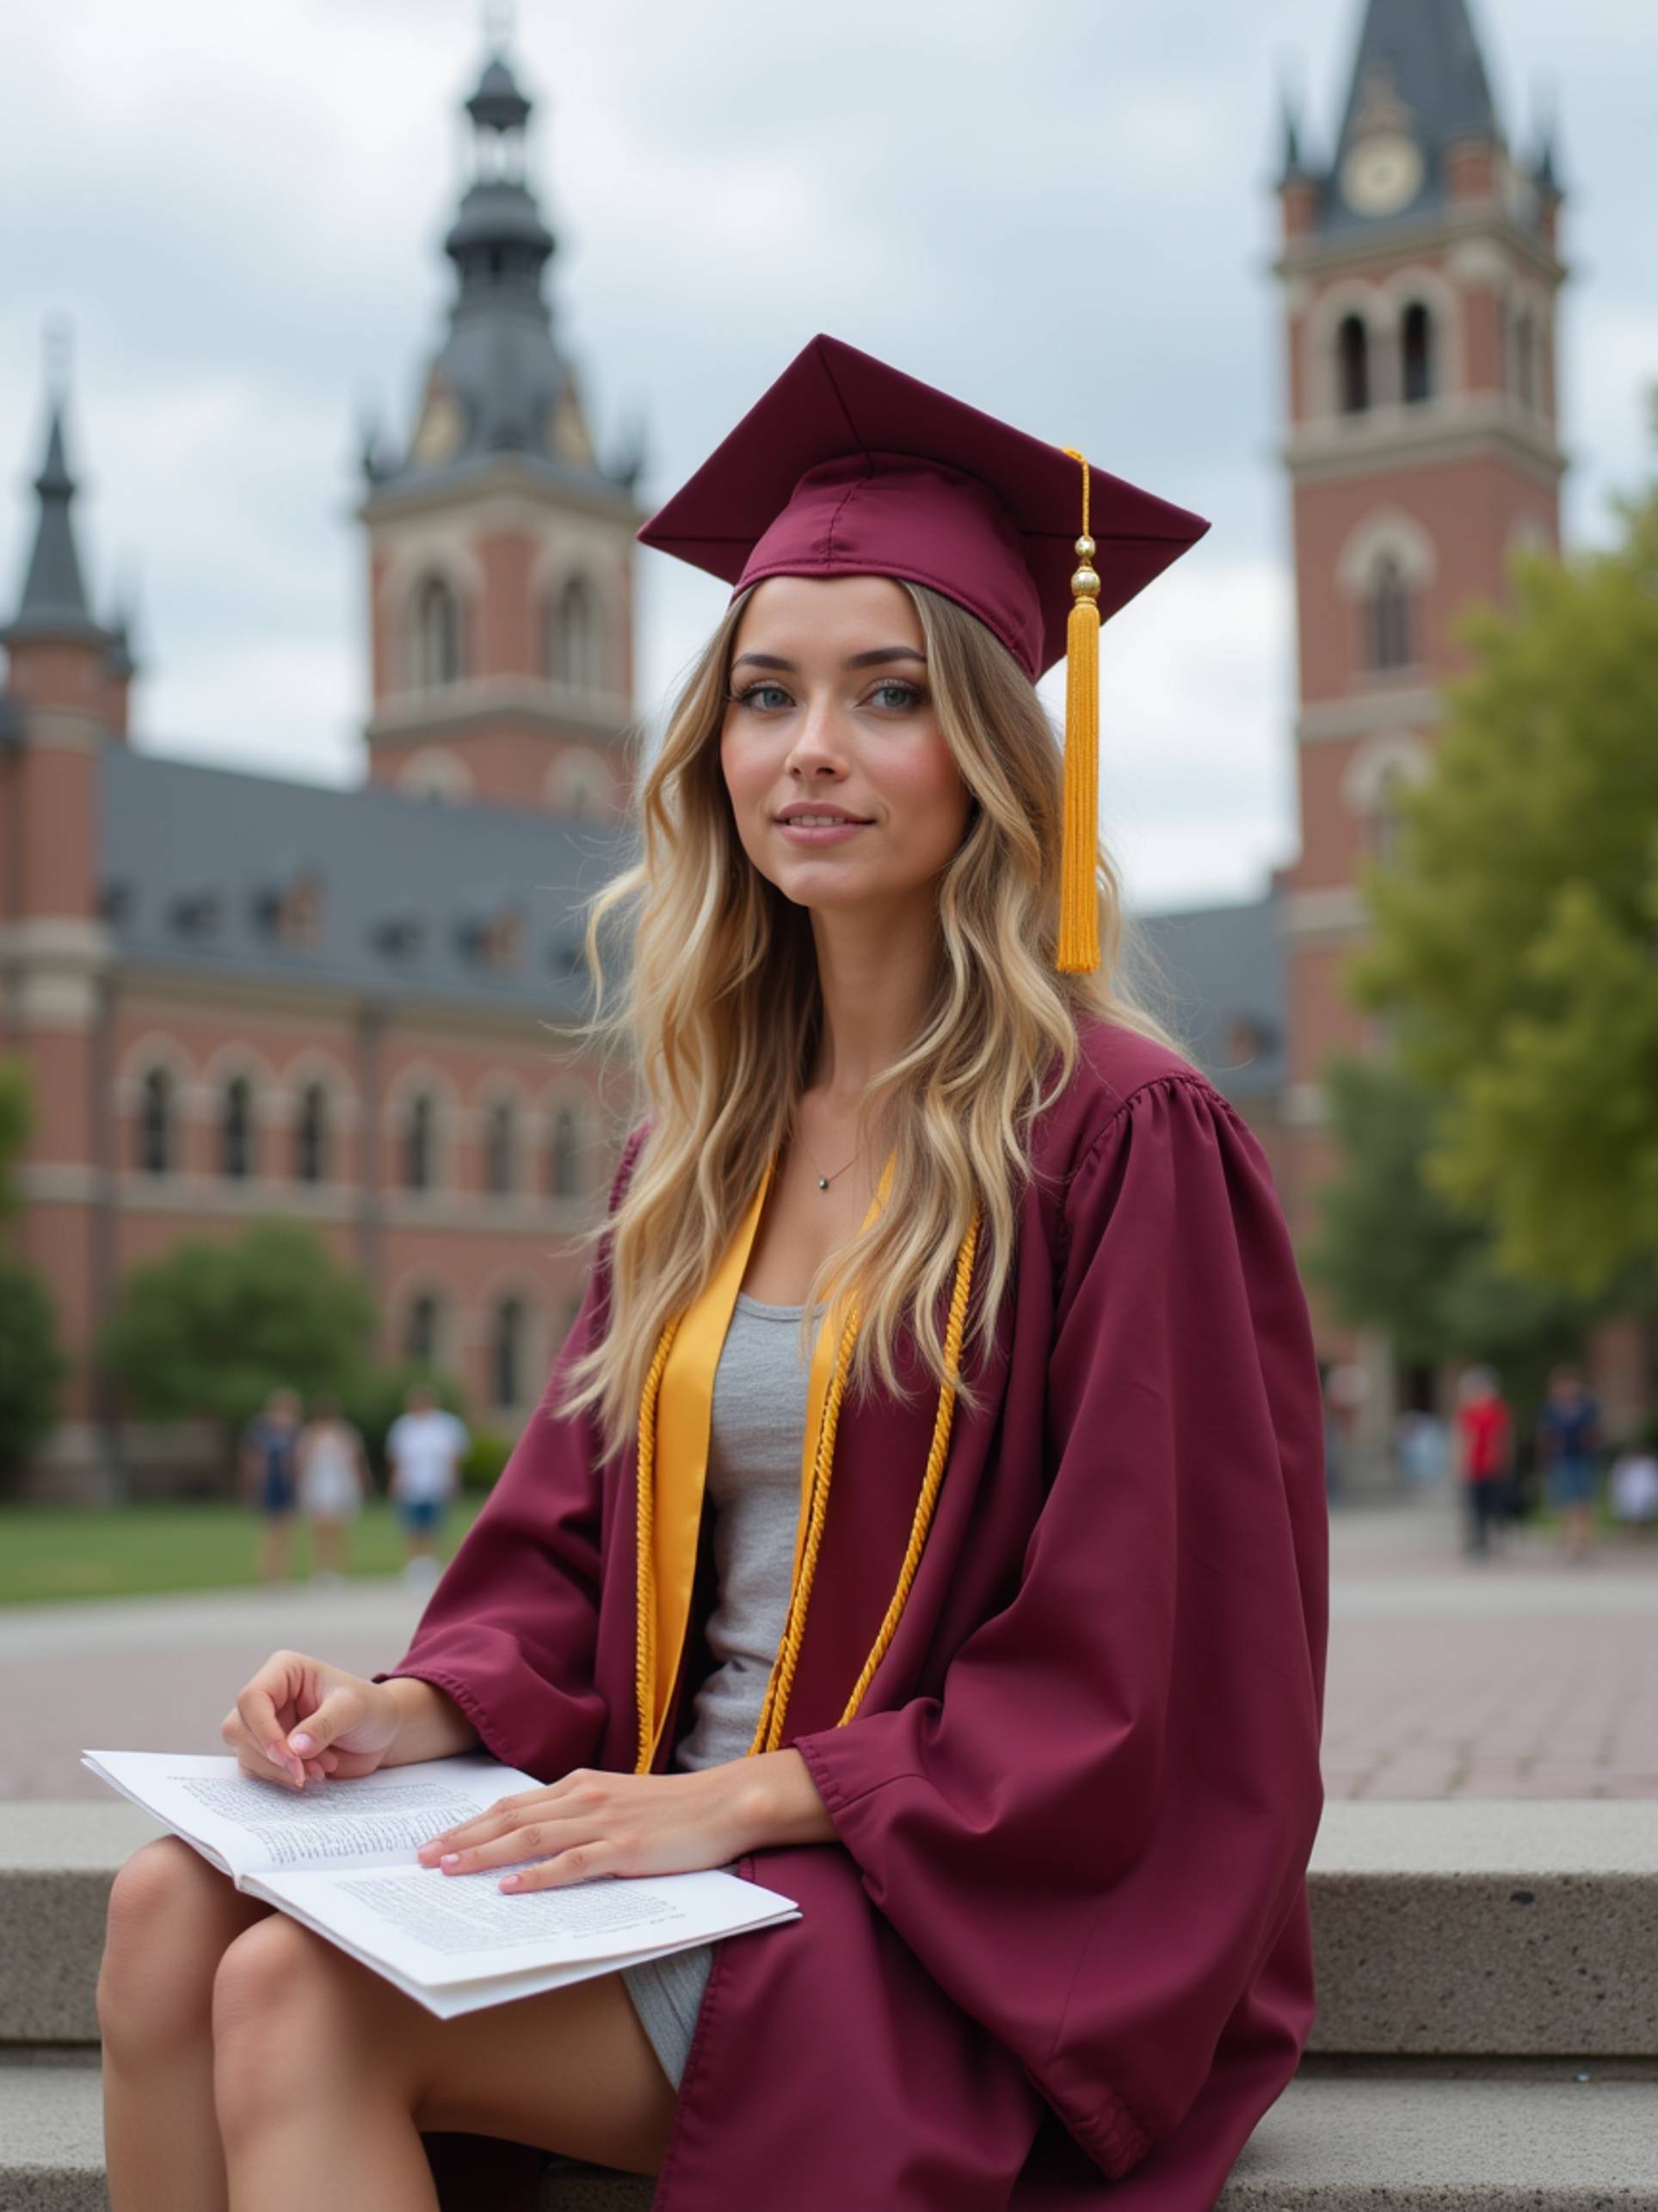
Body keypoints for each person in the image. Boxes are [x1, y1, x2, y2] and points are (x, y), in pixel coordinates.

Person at [96, 334, 1328, 2212]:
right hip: (660, 1828)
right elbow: (562, 1560)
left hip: (924, 1898)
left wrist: (735, 1798)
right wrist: (399, 1709)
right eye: (764, 696)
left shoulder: (1116, 1140)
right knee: (163, 1905)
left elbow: (1144, 1669)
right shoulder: (695, 1150)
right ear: (710, 748)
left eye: (885, 695)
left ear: (993, 754)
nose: (808, 749)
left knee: (294, 1999)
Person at [385, 1384, 470, 1584]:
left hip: (437, 1484)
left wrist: (454, 1480)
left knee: (434, 1527)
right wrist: (395, 1482)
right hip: (411, 1485)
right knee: (413, 1528)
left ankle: (432, 1564)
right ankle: (414, 1566)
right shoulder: (403, 1426)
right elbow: (396, 1458)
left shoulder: (446, 1425)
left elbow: (454, 1456)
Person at [295, 1395, 370, 1584]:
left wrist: (360, 1481)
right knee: (320, 1531)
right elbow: (301, 1462)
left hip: (340, 1485)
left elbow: (355, 1460)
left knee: (340, 1531)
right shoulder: (310, 1435)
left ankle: (341, 1571)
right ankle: (321, 1571)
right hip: (317, 1485)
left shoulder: (345, 1433)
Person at [1536, 1362, 1606, 1562]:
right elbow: (1545, 1436)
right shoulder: (1550, 1408)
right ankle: (1571, 1539)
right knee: (1565, 1501)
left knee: (1584, 1501)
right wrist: (1544, 1458)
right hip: (1561, 1459)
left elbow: (1595, 1433)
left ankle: (1583, 1541)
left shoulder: (1588, 1406)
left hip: (1584, 1458)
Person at [237, 1389, 300, 1589]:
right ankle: (269, 1576)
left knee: (286, 1532)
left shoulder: (294, 1430)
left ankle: (282, 1576)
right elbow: (250, 1458)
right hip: (268, 1485)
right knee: (270, 1532)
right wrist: (251, 1485)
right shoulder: (260, 1429)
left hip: (287, 1485)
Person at [1452, 1365, 1513, 1558]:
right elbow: (1463, 1437)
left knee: (1494, 1504)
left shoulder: (1496, 1410)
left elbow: (1502, 1436)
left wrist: (1503, 1458)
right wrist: (1461, 1462)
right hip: (1474, 1466)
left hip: (1492, 1465)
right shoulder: (1467, 1412)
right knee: (1474, 1506)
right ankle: (1478, 1540)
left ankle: (1497, 1538)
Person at [1608, 1436, 1658, 1539]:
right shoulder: (1623, 1464)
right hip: (1628, 1491)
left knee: (1641, 1499)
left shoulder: (1650, 1463)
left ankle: (1641, 1527)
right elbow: (1617, 1480)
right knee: (1632, 1500)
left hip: (1646, 1491)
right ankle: (1635, 1528)